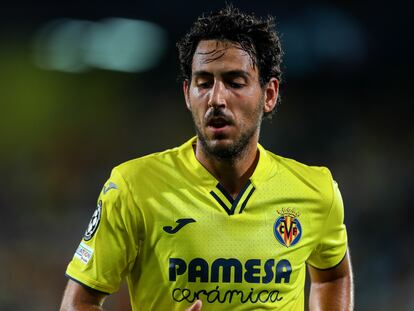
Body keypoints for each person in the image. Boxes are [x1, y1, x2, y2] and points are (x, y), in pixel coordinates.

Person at [60, 5, 353, 311]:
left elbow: (332, 277)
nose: (216, 98)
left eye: (234, 82)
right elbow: (78, 304)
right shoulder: (132, 188)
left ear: (269, 94)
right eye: (203, 82)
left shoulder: (316, 190)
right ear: (188, 94)